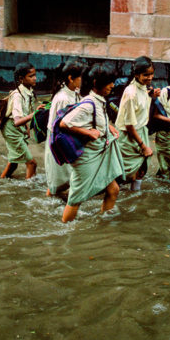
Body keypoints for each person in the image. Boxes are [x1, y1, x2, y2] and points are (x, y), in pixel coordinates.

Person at [59, 62, 124, 222]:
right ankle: (64, 231)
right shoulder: (88, 104)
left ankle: (103, 223)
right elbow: (65, 123)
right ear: (96, 83)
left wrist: (108, 127)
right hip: (86, 159)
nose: (112, 85)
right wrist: (88, 132)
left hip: (99, 155)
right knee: (76, 199)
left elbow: (95, 121)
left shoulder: (98, 101)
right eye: (109, 82)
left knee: (113, 189)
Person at [114, 56, 159, 190]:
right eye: (146, 75)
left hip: (140, 132)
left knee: (141, 169)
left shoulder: (143, 87)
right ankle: (111, 199)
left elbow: (141, 105)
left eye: (151, 74)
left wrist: (151, 95)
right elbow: (129, 125)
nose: (150, 78)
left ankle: (135, 195)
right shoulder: (131, 93)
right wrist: (143, 146)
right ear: (136, 75)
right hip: (129, 137)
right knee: (123, 174)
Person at [45, 59, 85, 197]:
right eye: (81, 77)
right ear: (71, 78)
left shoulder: (74, 92)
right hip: (59, 140)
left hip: (66, 139)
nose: (83, 81)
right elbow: (62, 125)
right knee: (57, 180)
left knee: (65, 178)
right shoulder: (63, 98)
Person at [0, 62, 43, 179]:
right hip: (12, 130)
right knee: (32, 163)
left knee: (13, 163)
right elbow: (17, 121)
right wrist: (35, 114)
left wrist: (27, 128)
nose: (35, 78)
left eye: (35, 75)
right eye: (31, 76)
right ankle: (29, 189)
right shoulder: (18, 96)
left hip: (17, 129)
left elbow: (23, 114)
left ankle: (1, 181)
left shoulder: (27, 91)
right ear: (21, 79)